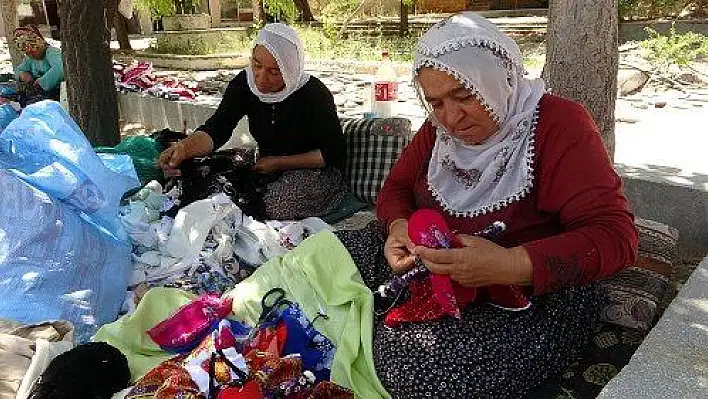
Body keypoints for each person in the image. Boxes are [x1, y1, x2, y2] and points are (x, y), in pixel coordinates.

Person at [333, 12, 638, 398]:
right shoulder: (439, 131)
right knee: (321, 258)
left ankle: (367, 335)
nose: (452, 117)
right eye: (436, 103)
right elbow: (395, 190)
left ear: (498, 79)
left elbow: (616, 237)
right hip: (436, 266)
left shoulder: (560, 126)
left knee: (417, 365)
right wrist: (399, 228)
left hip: (530, 294)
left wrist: (508, 265)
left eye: (465, 96)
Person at [157, 23, 347, 220]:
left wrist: (280, 163)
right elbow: (218, 128)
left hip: (313, 173)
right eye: (257, 65)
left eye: (274, 72)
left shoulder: (314, 94)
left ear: (290, 70)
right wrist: (184, 148)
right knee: (202, 177)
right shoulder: (245, 84)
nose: (261, 77)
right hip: (265, 164)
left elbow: (332, 153)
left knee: (266, 202)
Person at [12, 25, 64, 107]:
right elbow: (19, 70)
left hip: (58, 93)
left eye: (33, 51)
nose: (31, 55)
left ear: (40, 44)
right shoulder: (30, 58)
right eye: (27, 53)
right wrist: (23, 75)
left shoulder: (52, 52)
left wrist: (41, 82)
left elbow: (60, 69)